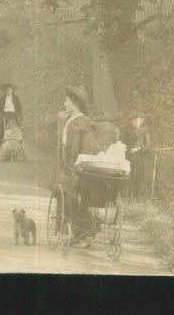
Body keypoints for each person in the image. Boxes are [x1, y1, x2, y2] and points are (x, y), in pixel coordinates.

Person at [54, 85, 100, 242]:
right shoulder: (68, 120)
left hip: (78, 170)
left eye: (66, 101)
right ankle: (63, 229)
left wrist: (78, 166)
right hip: (66, 168)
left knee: (73, 194)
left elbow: (88, 149)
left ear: (74, 102)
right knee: (61, 192)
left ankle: (79, 232)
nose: (64, 104)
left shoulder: (84, 122)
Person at [123, 114, 151, 200]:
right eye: (133, 120)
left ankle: (136, 197)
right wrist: (126, 149)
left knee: (138, 178)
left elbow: (147, 146)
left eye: (137, 121)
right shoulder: (127, 131)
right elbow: (124, 143)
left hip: (139, 158)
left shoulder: (144, 132)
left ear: (141, 122)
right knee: (127, 176)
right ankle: (126, 196)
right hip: (128, 157)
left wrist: (138, 148)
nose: (134, 122)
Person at [0, 83, 23, 149]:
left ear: (12, 90)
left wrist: (19, 116)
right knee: (2, 128)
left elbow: (19, 108)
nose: (8, 91)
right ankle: (1, 145)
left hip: (14, 115)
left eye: (9, 90)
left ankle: (17, 145)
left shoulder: (16, 98)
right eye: (6, 90)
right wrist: (1, 115)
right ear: (5, 91)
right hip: (4, 115)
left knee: (15, 130)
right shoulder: (2, 98)